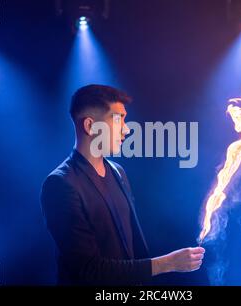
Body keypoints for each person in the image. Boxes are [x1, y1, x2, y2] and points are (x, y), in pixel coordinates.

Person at [41, 84, 205, 285]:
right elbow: (88, 270)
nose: (126, 129)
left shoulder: (118, 172)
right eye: (118, 119)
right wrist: (168, 263)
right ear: (90, 126)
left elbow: (132, 248)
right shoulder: (60, 184)